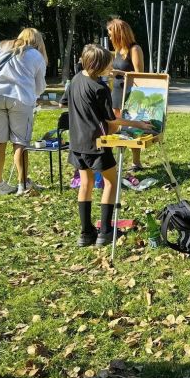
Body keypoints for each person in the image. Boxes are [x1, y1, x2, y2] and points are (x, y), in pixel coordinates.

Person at [68, 44, 152, 247]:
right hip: (97, 143)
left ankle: (86, 233)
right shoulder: (100, 88)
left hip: (77, 142)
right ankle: (105, 232)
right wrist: (138, 124)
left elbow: (67, 103)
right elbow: (112, 120)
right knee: (111, 183)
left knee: (86, 183)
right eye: (108, 64)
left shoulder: (76, 80)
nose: (111, 67)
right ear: (97, 65)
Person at [0, 28, 47, 196]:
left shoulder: (1, 46)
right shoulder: (36, 55)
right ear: (38, 41)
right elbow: (40, 87)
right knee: (20, 142)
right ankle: (22, 184)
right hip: (21, 98)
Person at [107, 19, 145, 172]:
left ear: (118, 33)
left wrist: (120, 73)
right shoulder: (117, 50)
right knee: (114, 126)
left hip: (130, 94)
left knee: (130, 127)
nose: (109, 37)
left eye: (111, 34)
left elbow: (140, 75)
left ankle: (136, 163)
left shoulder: (134, 49)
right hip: (115, 92)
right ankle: (113, 162)